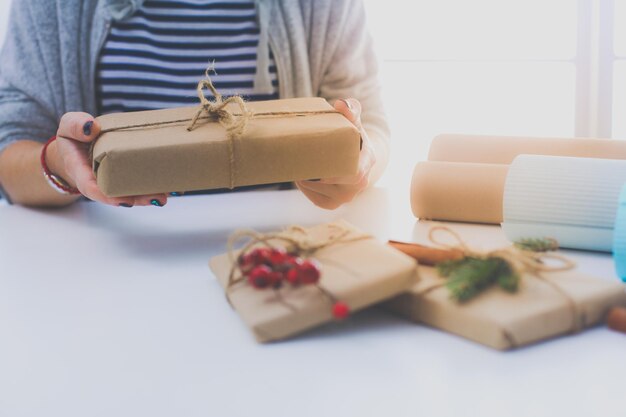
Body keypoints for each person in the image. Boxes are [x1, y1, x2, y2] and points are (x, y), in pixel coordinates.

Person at [0, 0, 389, 209]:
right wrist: (60, 166)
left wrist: (358, 163)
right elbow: (11, 142)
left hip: (276, 252)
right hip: (106, 262)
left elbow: (369, 124)